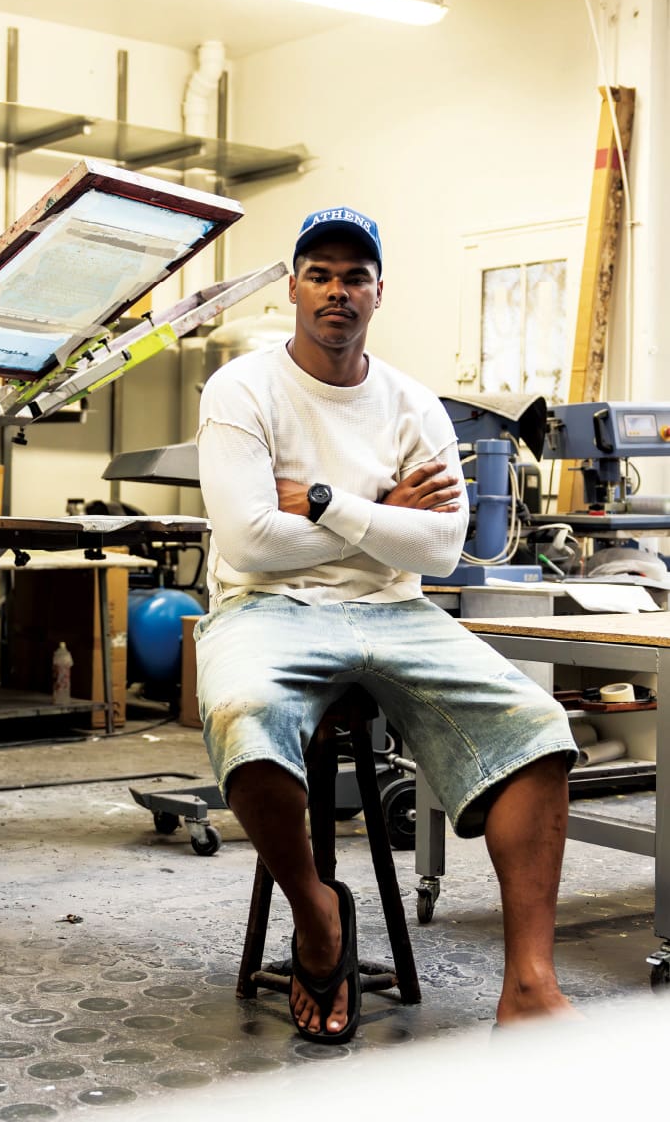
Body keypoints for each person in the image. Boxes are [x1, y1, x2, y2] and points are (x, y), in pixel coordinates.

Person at [194, 206, 578, 1044]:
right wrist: (381, 515)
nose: (338, 290)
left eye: (355, 276)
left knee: (540, 730)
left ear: (378, 293)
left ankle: (529, 985)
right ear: (295, 285)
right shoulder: (241, 389)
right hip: (266, 608)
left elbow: (441, 546)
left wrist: (327, 500)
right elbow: (248, 538)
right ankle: (318, 916)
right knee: (240, 714)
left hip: (397, 610)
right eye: (321, 273)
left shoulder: (411, 403)